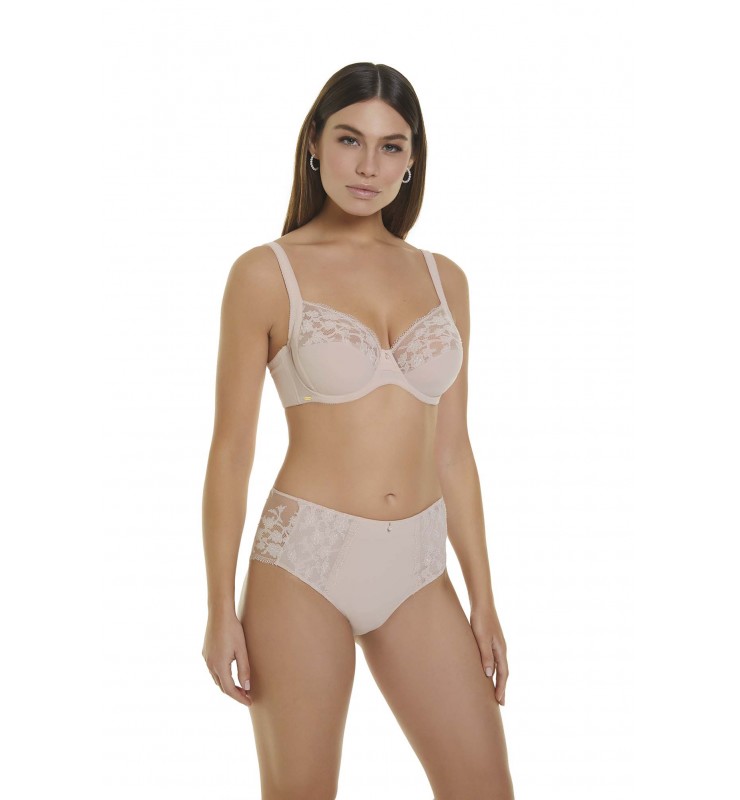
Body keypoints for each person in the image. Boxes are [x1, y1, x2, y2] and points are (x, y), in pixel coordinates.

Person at [201, 62, 515, 799]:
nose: (369, 165)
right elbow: (231, 452)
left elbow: (454, 452)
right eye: (349, 139)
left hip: (419, 565)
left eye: (391, 146)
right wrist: (219, 609)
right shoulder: (266, 273)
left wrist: (484, 599)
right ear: (315, 143)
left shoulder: (444, 278)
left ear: (412, 159)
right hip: (303, 561)